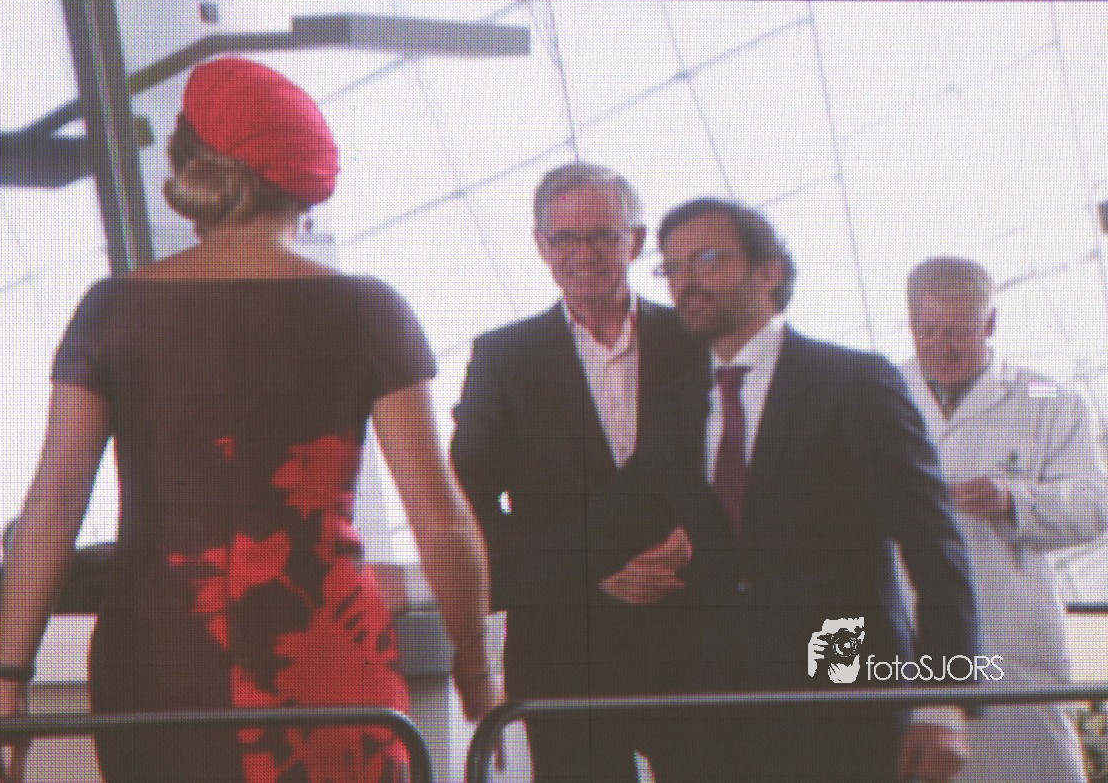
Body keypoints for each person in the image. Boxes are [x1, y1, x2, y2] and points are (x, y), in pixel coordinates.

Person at [0, 56, 500, 783]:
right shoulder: (369, 312)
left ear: (190, 166)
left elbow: (53, 505)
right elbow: (439, 517)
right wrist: (474, 666)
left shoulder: (112, 312)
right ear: (302, 185)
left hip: (159, 657)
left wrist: (10, 681)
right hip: (323, 650)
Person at [589, 198, 980, 782]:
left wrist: (944, 702)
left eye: (708, 259)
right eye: (672, 267)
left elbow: (935, 547)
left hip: (845, 703)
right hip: (709, 721)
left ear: (769, 271)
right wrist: (602, 573)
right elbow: (614, 524)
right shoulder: (675, 405)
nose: (685, 281)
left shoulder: (854, 381)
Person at [450, 162, 701, 782]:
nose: (582, 255)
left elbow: (752, 476)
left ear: (635, 242)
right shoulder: (503, 357)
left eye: (602, 236)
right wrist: (594, 570)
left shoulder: (699, 341)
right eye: (564, 238)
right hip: (564, 648)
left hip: (699, 637)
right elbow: (465, 510)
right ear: (541, 246)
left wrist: (700, 545)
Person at [902, 256, 1108, 783]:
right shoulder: (880, 394)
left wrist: (1011, 501)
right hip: (906, 626)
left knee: (1035, 767)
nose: (943, 345)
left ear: (990, 322)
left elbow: (1093, 506)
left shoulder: (1050, 400)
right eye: (928, 329)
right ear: (910, 322)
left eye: (958, 330)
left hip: (1010, 628)